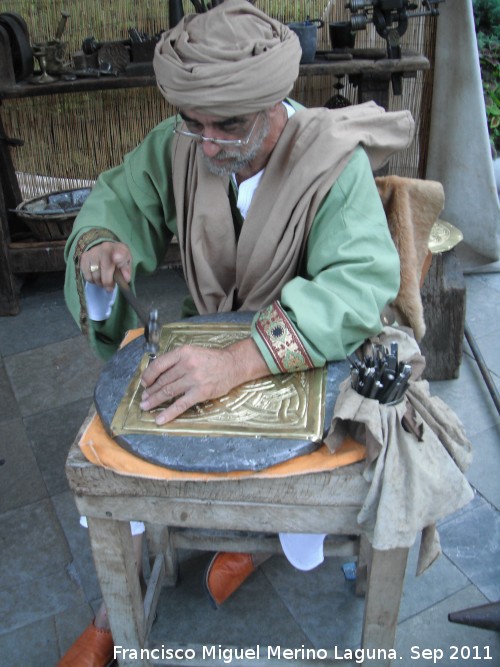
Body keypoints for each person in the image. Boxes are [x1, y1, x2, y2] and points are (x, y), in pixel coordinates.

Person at [61, 1, 414, 665]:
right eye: (193, 122)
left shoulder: (331, 162)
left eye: (227, 125)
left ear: (273, 102)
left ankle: (257, 536)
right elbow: (120, 198)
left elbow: (358, 286)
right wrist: (102, 243)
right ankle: (115, 604)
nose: (208, 144)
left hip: (310, 354)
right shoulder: (182, 144)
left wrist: (242, 360)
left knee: (300, 460)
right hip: (211, 339)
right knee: (120, 440)